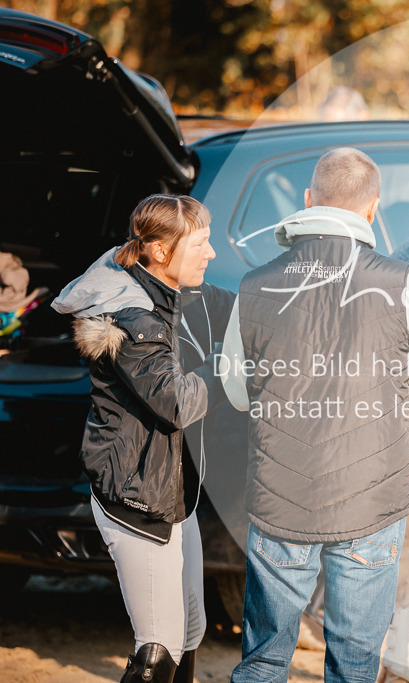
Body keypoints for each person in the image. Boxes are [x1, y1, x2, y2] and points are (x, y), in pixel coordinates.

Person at [222, 148, 409, 682]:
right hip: (370, 500)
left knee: (264, 659)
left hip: (279, 498)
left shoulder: (253, 285)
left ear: (309, 201)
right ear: (373, 209)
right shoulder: (399, 281)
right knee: (355, 661)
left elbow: (237, 392)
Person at [51, 194, 230, 683]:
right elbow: (175, 403)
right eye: (201, 242)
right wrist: (234, 371)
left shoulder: (173, 292)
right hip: (136, 496)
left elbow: (242, 307)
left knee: (191, 630)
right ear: (158, 250)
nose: (211, 252)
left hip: (175, 493)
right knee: (159, 646)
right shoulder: (133, 319)